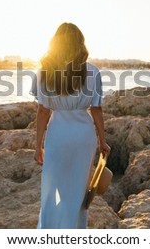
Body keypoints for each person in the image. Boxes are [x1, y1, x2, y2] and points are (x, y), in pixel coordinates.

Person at [30, 22, 110, 229]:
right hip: (83, 136)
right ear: (80, 43)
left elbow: (43, 111)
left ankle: (48, 232)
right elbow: (97, 109)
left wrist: (38, 145)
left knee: (51, 189)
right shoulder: (93, 72)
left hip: (58, 135)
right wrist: (103, 140)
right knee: (78, 190)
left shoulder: (43, 72)